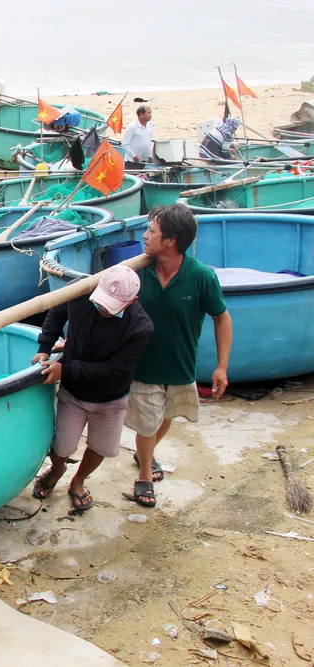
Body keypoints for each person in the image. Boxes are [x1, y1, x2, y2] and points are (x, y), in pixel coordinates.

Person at [124, 204, 233, 508]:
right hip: (143, 367)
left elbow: (222, 318)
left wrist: (222, 366)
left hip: (181, 365)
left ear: (171, 240)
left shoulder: (200, 276)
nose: (144, 236)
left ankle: (144, 454)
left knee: (167, 416)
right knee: (146, 425)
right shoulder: (137, 271)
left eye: (151, 231)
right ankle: (144, 474)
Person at [31, 265, 154, 510]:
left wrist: (65, 369)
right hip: (74, 392)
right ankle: (57, 470)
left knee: (100, 447)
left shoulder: (140, 328)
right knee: (61, 445)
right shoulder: (79, 292)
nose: (103, 309)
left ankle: (78, 481)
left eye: (111, 306)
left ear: (132, 301)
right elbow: (56, 313)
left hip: (111, 397)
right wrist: (45, 346)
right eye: (101, 302)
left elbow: (115, 370)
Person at [122, 105, 153, 171]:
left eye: (150, 113)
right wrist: (134, 156)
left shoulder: (150, 125)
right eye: (148, 113)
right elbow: (125, 143)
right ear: (141, 114)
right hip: (132, 162)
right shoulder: (132, 127)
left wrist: (150, 155)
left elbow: (149, 141)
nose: (150, 115)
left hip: (144, 161)